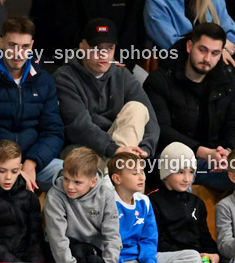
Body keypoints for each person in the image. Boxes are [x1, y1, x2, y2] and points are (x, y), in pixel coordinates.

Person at [0, 16, 64, 190]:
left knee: (71, 173)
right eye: (12, 45)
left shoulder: (43, 80)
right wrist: (11, 167)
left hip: (32, 163)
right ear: (1, 43)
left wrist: (31, 163)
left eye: (24, 46)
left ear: (31, 46)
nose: (18, 53)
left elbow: (53, 131)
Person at [144, 23, 235, 192]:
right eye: (202, 50)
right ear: (189, 46)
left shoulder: (227, 81)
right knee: (182, 173)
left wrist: (228, 153)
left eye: (215, 53)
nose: (207, 58)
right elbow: (161, 130)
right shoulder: (160, 80)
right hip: (170, 158)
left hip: (214, 161)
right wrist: (201, 152)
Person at [54, 18, 158, 159]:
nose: (103, 55)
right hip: (81, 149)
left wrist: (146, 148)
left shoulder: (122, 75)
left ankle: (120, 167)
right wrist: (114, 149)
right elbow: (79, 126)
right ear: (82, 46)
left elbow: (150, 116)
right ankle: (122, 167)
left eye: (109, 48)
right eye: (96, 48)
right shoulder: (65, 77)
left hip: (120, 146)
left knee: (138, 108)